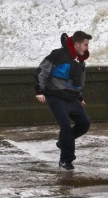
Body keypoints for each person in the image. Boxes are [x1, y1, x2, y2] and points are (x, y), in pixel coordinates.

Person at [35, 31, 92, 170]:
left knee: (84, 123)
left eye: (88, 45)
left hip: (71, 98)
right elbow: (41, 71)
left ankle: (63, 141)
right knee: (65, 127)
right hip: (55, 96)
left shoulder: (80, 59)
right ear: (77, 44)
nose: (87, 48)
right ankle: (66, 160)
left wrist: (79, 96)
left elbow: (78, 81)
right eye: (85, 45)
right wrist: (39, 91)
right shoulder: (57, 54)